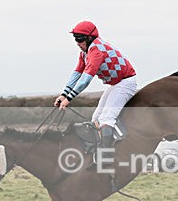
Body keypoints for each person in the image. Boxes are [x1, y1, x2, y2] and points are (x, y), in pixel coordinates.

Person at [54, 20, 138, 169]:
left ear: (89, 38)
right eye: (75, 39)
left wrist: (70, 98)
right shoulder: (85, 52)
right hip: (116, 83)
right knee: (96, 118)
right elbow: (77, 73)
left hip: (125, 83)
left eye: (79, 39)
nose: (77, 42)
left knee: (106, 118)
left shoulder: (97, 51)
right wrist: (63, 94)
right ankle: (96, 155)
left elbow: (86, 79)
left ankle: (106, 160)